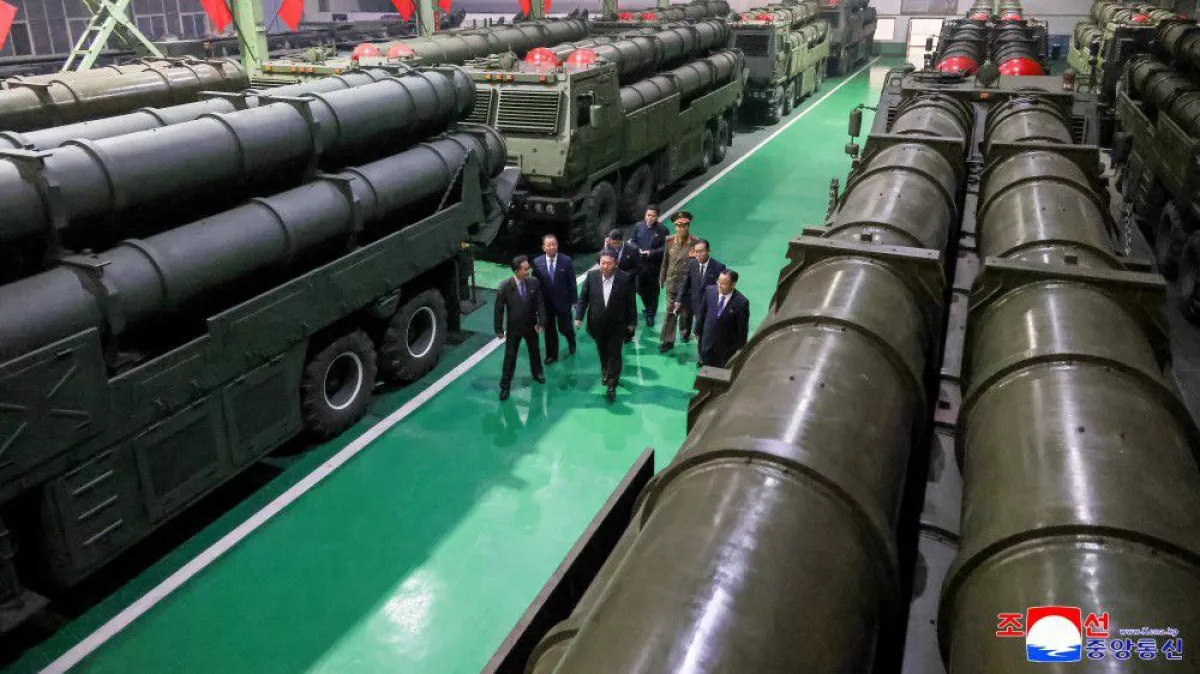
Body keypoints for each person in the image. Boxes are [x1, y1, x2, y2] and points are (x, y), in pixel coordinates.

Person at [575, 249, 637, 402]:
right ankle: (605, 372)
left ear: (615, 264)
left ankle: (612, 384)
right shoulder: (591, 277)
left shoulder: (625, 279)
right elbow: (583, 299)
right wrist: (579, 317)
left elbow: (631, 302)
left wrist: (632, 322)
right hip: (597, 325)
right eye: (602, 263)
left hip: (617, 325)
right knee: (602, 351)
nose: (604, 266)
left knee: (614, 354)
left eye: (608, 263)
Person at [494, 255, 545, 400]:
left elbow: (540, 303)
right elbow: (498, 310)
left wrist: (542, 322)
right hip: (514, 329)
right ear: (517, 271)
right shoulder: (505, 286)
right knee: (510, 357)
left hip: (531, 326)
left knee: (535, 352)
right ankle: (505, 386)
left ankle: (537, 373)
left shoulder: (533, 282)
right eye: (525, 269)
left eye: (528, 268)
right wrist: (498, 329)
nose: (528, 271)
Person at [658, 211, 699, 353]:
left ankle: (685, 332)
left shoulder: (695, 243)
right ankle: (668, 340)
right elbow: (665, 261)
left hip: (687, 286)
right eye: (679, 226)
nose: (682, 228)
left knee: (686, 313)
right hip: (672, 283)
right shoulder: (669, 241)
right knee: (670, 312)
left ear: (688, 226)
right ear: (675, 227)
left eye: (684, 225)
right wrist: (662, 277)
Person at [671, 238, 725, 347]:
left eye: (701, 251)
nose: (699, 255)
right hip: (694, 301)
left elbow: (722, 290)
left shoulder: (719, 267)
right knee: (688, 321)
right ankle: (687, 335)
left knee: (704, 333)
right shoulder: (691, 263)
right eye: (696, 252)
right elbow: (684, 282)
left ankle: (702, 351)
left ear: (708, 251)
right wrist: (678, 299)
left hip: (709, 305)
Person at [532, 234, 577, 364]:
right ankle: (551, 354)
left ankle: (571, 341)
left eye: (554, 244)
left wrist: (574, 301)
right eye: (549, 245)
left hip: (563, 302)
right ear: (543, 247)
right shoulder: (537, 262)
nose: (552, 247)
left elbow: (572, 283)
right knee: (549, 330)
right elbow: (535, 284)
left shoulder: (566, 261)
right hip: (546, 304)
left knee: (565, 328)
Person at [695, 269, 750, 369]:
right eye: (719, 281)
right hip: (707, 343)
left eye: (724, 283)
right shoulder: (710, 291)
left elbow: (742, 329)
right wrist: (697, 330)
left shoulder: (741, 303)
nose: (719, 285)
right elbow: (702, 313)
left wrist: (740, 348)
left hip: (725, 350)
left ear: (733, 285)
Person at [631, 204, 669, 327]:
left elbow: (666, 247)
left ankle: (651, 313)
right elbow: (633, 241)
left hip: (654, 266)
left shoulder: (663, 230)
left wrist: (651, 253)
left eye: (653, 216)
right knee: (639, 288)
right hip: (640, 266)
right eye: (648, 215)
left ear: (657, 217)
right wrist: (637, 249)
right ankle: (648, 306)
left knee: (653, 292)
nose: (650, 218)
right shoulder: (638, 226)